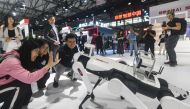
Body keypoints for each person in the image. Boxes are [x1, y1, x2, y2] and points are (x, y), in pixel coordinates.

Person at [0, 39, 58, 109]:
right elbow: (29, 78)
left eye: (47, 48)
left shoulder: (20, 57)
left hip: (4, 84)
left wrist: (47, 66)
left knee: (24, 83)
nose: (37, 54)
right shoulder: (12, 61)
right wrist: (47, 66)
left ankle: (22, 103)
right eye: (36, 51)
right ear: (28, 50)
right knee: (19, 86)